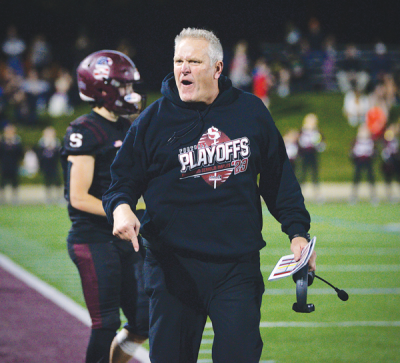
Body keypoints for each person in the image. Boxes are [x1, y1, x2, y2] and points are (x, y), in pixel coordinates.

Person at [103, 28, 316, 363]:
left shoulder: (251, 112)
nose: (183, 69)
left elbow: (279, 181)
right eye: (178, 61)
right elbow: (121, 181)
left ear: (217, 68)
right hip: (172, 269)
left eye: (194, 61)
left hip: (236, 267)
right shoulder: (152, 122)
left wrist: (298, 233)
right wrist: (121, 209)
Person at [60, 50, 149, 363]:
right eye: (123, 86)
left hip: (125, 237)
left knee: (143, 323)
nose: (129, 92)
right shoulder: (84, 131)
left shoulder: (126, 127)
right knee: (106, 324)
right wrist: (122, 212)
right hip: (94, 238)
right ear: (103, 88)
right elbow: (78, 197)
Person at [349, 123, 377, 204]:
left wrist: (372, 156)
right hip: (359, 162)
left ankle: (373, 196)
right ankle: (354, 196)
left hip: (368, 162)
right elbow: (351, 152)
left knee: (371, 178)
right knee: (356, 178)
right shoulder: (356, 140)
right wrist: (354, 158)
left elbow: (375, 152)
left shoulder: (371, 141)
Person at [35, 126, 62, 203]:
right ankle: (48, 198)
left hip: (54, 165)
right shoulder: (41, 143)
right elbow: (39, 155)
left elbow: (59, 155)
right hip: (46, 166)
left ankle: (59, 197)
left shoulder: (57, 142)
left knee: (57, 182)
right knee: (47, 182)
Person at [0, 123, 23, 204]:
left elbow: (20, 153)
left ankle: (15, 198)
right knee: (3, 182)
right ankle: (2, 198)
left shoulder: (17, 141)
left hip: (14, 164)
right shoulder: (2, 141)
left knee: (14, 182)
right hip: (4, 164)